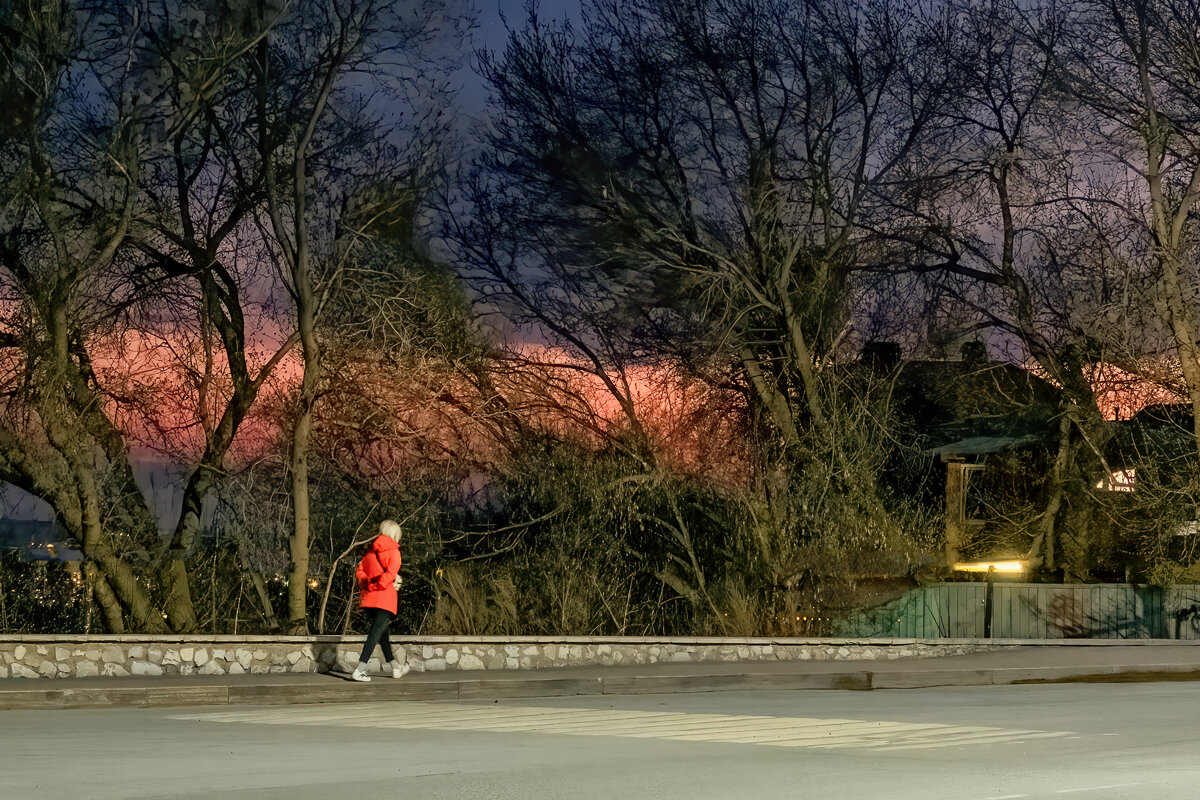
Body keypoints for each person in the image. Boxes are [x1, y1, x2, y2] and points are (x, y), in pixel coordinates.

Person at [351, 520, 410, 682]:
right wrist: (380, 584)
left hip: (369, 600)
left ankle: (395, 667)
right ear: (396, 535)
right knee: (375, 634)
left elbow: (360, 571)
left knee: (383, 634)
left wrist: (368, 584)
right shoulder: (394, 552)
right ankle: (360, 669)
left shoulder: (370, 551)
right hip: (385, 599)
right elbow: (390, 575)